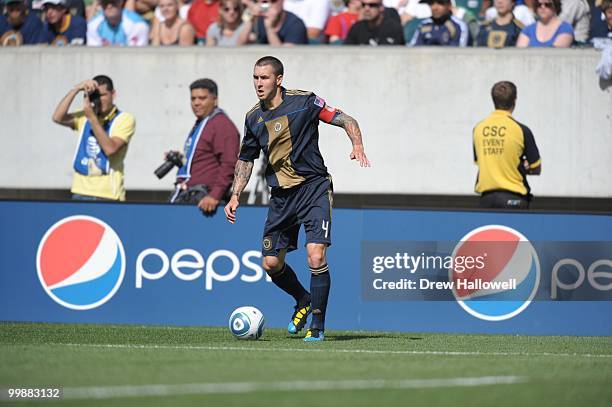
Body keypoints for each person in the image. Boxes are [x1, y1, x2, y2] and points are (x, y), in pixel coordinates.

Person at [224, 56, 371, 342]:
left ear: (278, 79)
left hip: (313, 187)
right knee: (270, 264)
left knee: (316, 255)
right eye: (255, 77)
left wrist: (357, 143)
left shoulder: (305, 102)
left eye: (264, 78)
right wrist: (235, 195)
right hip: (281, 195)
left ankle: (317, 328)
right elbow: (246, 158)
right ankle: (303, 298)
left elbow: (345, 118)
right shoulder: (253, 117)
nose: (258, 83)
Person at [51, 75, 136, 201]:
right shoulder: (85, 116)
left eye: (102, 95)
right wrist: (75, 90)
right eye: (95, 96)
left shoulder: (124, 119)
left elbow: (110, 149)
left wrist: (92, 118)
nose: (99, 100)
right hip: (80, 192)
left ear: (113, 94)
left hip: (109, 195)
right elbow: (57, 117)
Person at [169, 79, 240, 215]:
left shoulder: (221, 125)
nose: (196, 103)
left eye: (202, 98)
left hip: (205, 202)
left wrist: (215, 195)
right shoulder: (202, 123)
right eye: (193, 98)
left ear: (215, 99)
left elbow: (230, 164)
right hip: (188, 196)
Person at [473, 81, 541, 209]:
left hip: (486, 200)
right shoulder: (521, 130)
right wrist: (521, 165)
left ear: (493, 100)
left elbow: (482, 161)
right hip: (514, 199)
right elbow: (536, 168)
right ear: (514, 101)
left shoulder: (478, 129)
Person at [240, 0, 307, 45]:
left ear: (282, 1)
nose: (269, 4)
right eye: (265, 2)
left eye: (273, 0)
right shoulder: (258, 20)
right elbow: (239, 46)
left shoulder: (295, 24)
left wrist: (269, 28)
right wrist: (251, 20)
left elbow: (285, 56)